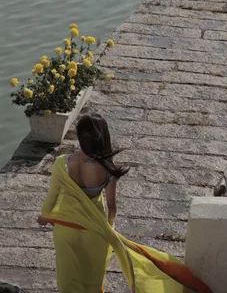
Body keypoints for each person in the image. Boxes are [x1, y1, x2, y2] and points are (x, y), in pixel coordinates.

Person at [38, 113, 212, 293]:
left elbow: (52, 197)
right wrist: (108, 227)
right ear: (104, 137)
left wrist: (44, 216)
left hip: (65, 230)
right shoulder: (107, 168)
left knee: (68, 279)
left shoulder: (61, 164)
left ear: (79, 136)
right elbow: (112, 205)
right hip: (95, 233)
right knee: (92, 280)